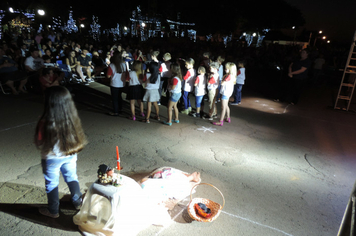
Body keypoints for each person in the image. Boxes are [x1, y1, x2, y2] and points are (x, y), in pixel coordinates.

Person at [34, 86, 87, 218]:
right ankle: (77, 202)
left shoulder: (44, 121)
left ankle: (53, 211)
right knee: (72, 178)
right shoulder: (72, 118)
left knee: (52, 183)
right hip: (70, 154)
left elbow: (39, 142)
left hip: (51, 157)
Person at [106, 51, 126, 116]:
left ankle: (115, 111)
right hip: (122, 83)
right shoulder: (123, 64)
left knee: (115, 98)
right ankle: (120, 109)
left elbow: (108, 75)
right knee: (119, 97)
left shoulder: (111, 65)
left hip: (114, 84)